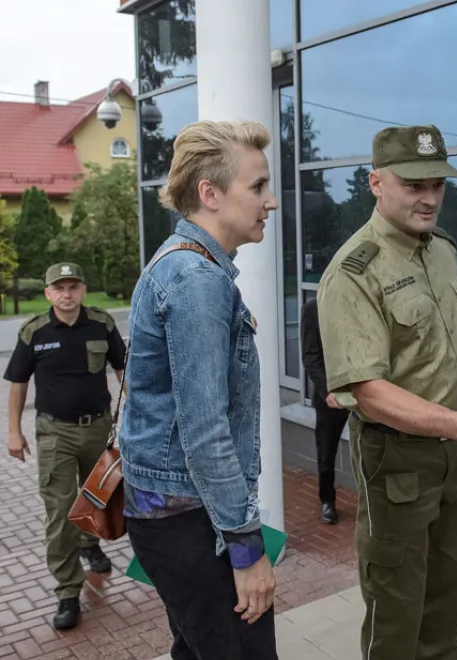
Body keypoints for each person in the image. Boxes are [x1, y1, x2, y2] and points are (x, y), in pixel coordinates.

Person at [317, 124, 457, 660]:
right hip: (396, 461)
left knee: (448, 602)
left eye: (438, 185)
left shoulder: (443, 250)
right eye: (414, 185)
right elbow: (370, 392)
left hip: (453, 453)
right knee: (397, 614)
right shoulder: (354, 271)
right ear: (376, 182)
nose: (429, 198)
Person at [119, 120, 280, 659]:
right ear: (209, 194)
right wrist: (245, 546)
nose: (271, 201)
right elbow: (205, 430)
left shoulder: (183, 265)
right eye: (257, 186)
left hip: (175, 515)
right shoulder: (197, 280)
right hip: (192, 522)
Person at [4, 262, 125, 630]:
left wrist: (136, 413)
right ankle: (68, 591)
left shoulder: (102, 324)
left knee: (96, 497)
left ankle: (90, 543)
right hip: (55, 432)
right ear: (48, 293)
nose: (67, 294)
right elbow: (18, 384)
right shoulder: (34, 332)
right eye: (59, 288)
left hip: (98, 427)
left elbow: (123, 369)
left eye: (73, 287)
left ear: (83, 290)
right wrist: (13, 431)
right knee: (59, 510)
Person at [300, 296, 349, 524]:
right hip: (331, 395)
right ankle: (327, 500)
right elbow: (310, 356)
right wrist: (327, 391)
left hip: (366, 390)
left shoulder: (359, 301)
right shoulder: (313, 308)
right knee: (326, 452)